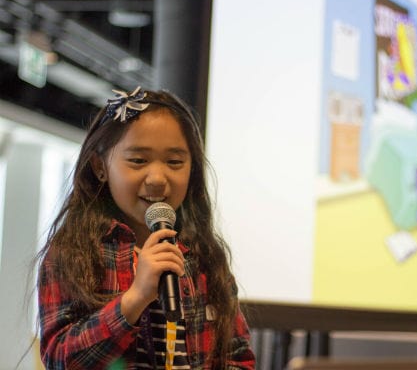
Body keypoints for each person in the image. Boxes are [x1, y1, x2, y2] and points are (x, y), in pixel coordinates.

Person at [36, 87, 255, 369]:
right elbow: (60, 359)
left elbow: (238, 355)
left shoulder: (204, 256)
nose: (157, 178)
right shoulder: (73, 252)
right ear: (100, 167)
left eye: (175, 162)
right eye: (138, 160)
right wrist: (135, 298)